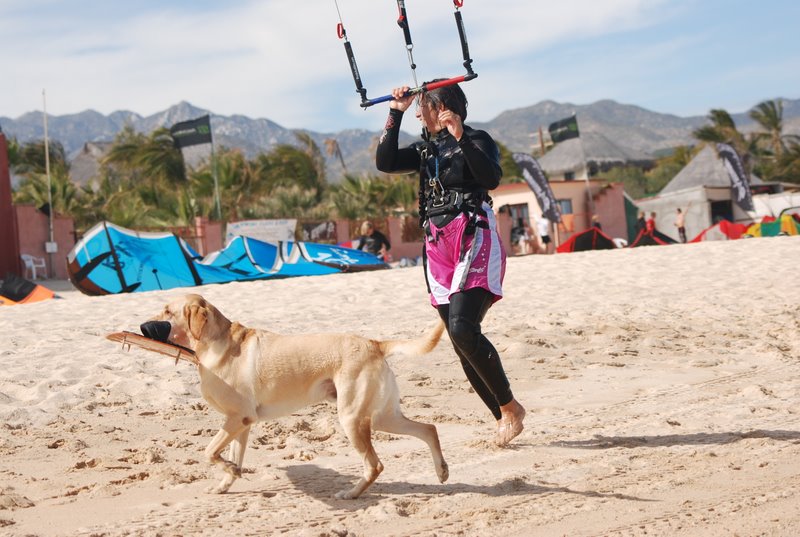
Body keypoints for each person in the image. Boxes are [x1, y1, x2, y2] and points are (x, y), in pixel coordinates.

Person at [375, 80, 525, 447]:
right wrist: (394, 112)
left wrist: (460, 136)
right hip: (437, 245)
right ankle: (503, 414)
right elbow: (386, 162)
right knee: (461, 343)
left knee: (461, 328)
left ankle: (510, 408)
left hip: (472, 235)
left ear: (442, 108)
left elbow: (490, 177)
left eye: (421, 107)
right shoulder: (425, 150)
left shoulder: (477, 138)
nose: (416, 113)